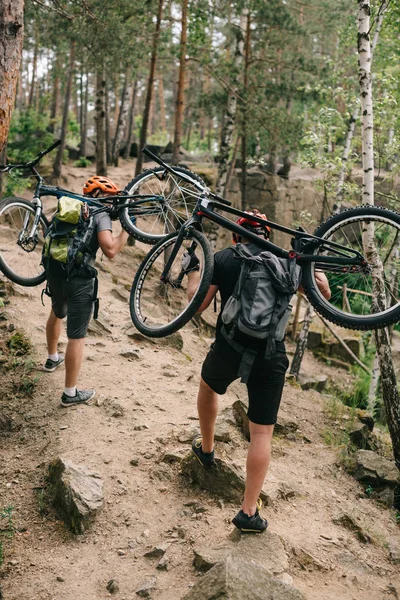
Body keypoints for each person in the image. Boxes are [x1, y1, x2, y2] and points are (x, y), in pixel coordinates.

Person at [186, 210, 331, 532]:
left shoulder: (224, 257)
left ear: (237, 235)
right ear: (267, 234)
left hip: (229, 346)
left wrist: (195, 271)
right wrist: (307, 258)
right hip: (271, 354)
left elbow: (196, 305)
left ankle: (207, 450)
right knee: (262, 432)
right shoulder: (285, 263)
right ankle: (248, 511)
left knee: (208, 388)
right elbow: (325, 296)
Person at [43, 176, 129, 407]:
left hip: (55, 270)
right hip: (80, 277)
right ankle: (70, 393)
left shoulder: (69, 204)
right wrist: (126, 232)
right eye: (110, 198)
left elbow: (48, 234)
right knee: (77, 336)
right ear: (98, 195)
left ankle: (52, 359)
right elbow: (109, 249)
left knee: (57, 312)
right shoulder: (99, 214)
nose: (113, 203)